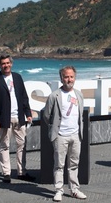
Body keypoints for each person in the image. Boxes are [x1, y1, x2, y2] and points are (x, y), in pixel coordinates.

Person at [0, 54, 35, 183]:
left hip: (19, 117)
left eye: (8, 63)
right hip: (4, 118)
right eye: (3, 63)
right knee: (4, 146)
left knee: (22, 145)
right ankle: (6, 173)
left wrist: (28, 112)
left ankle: (21, 172)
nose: (6, 65)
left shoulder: (18, 77)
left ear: (11, 64)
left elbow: (24, 96)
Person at [42, 66, 87, 202]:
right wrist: (54, 129)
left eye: (71, 76)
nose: (69, 79)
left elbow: (80, 114)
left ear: (75, 77)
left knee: (74, 164)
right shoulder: (54, 95)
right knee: (59, 165)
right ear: (61, 78)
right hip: (60, 135)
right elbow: (46, 115)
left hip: (75, 135)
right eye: (66, 77)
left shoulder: (79, 94)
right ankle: (58, 190)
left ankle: (74, 189)